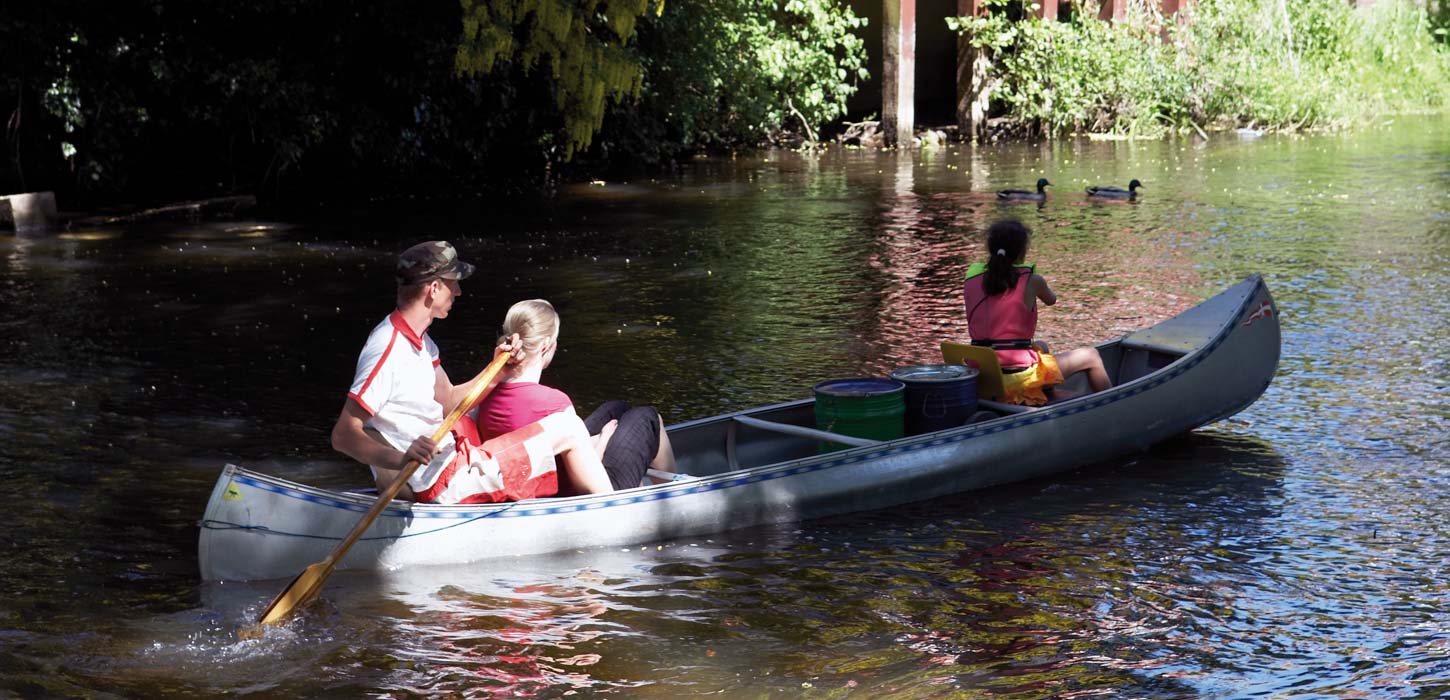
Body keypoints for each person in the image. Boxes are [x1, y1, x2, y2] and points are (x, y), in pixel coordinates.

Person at [330, 241, 616, 504]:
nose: (458, 292)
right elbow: (344, 435)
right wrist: (400, 459)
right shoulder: (388, 348)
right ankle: (613, 514)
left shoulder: (421, 343)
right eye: (453, 284)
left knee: (476, 421)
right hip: (446, 484)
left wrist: (498, 370)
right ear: (433, 289)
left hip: (451, 470)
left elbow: (450, 402)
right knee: (569, 427)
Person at [473, 299, 678, 491]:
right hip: (578, 491)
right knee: (649, 417)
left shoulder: (488, 395)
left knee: (618, 408)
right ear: (545, 345)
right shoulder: (553, 402)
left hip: (535, 476)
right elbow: (581, 476)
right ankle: (676, 502)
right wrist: (604, 440)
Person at [963, 219, 1111, 406]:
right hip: (1015, 378)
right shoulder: (1033, 281)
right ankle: (1113, 410)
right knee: (1091, 356)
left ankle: (1048, 398)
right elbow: (1052, 300)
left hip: (982, 373)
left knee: (1041, 345)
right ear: (1021, 252)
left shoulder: (971, 280)